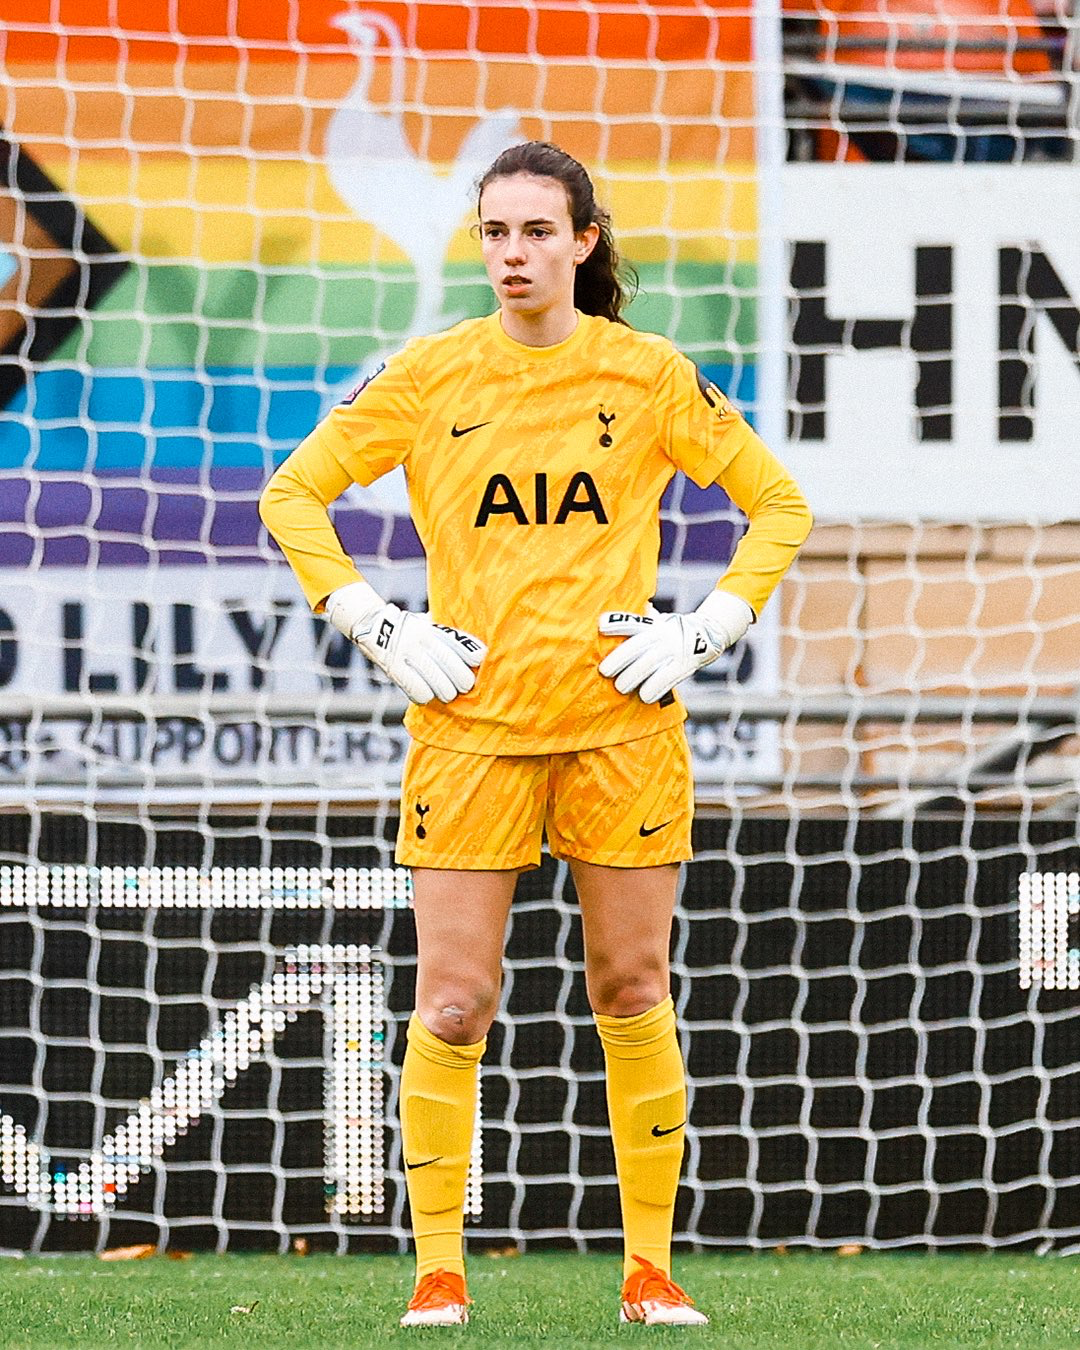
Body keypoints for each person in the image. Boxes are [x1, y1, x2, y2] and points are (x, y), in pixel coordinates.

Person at [259, 140, 813, 1329]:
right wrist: (368, 617)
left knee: (631, 987)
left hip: (624, 731)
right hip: (468, 735)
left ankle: (652, 1271)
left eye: (536, 233)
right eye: (495, 234)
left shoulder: (649, 375)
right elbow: (291, 494)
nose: (513, 255)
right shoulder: (429, 375)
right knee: (455, 1002)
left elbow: (781, 504)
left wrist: (705, 629)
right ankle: (438, 1272)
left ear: (583, 241)